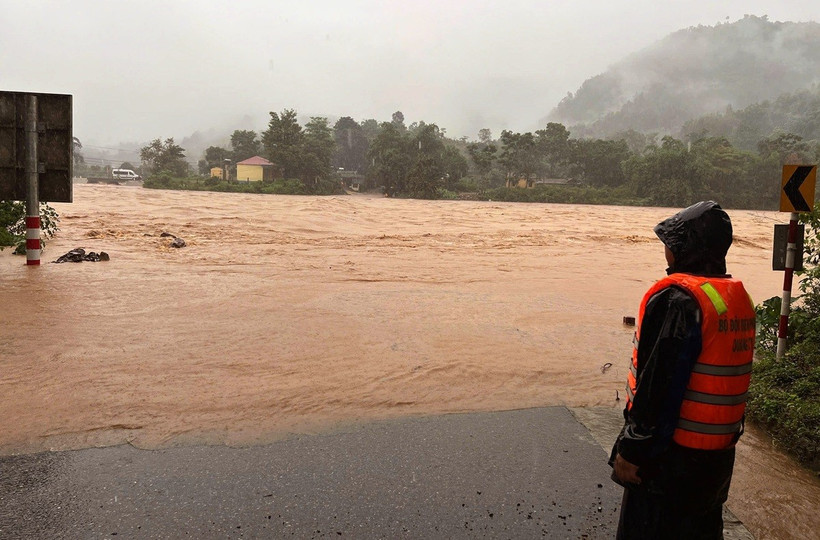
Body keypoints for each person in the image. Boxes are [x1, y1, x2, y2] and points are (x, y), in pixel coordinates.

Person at [609, 201, 756, 539]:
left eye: (670, 243)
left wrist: (632, 449)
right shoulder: (735, 299)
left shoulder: (678, 300)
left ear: (686, 248)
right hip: (716, 460)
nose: (666, 251)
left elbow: (658, 386)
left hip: (669, 460)